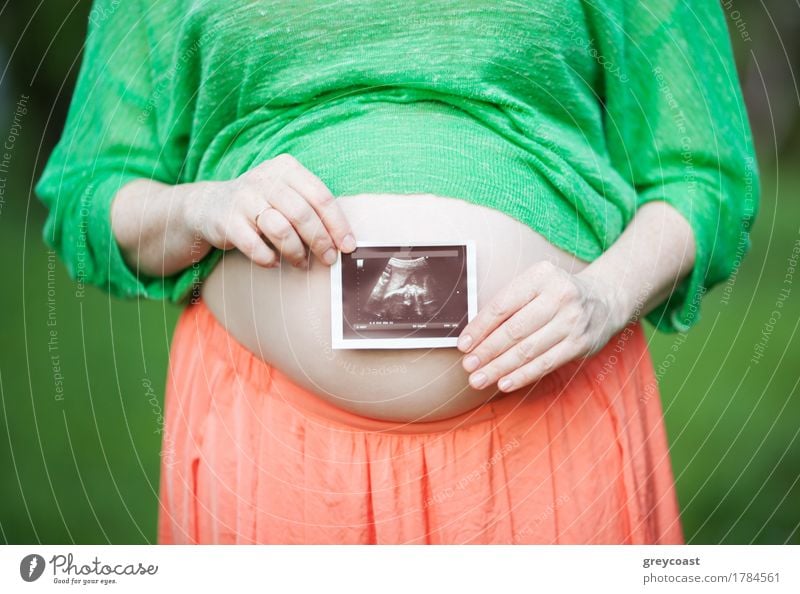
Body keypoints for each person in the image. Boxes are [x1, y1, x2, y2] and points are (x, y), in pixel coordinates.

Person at [37, 0, 759, 544]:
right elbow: (92, 188)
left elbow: (702, 174)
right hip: (272, 450)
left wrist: (605, 294)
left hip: (548, 435)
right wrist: (198, 207)